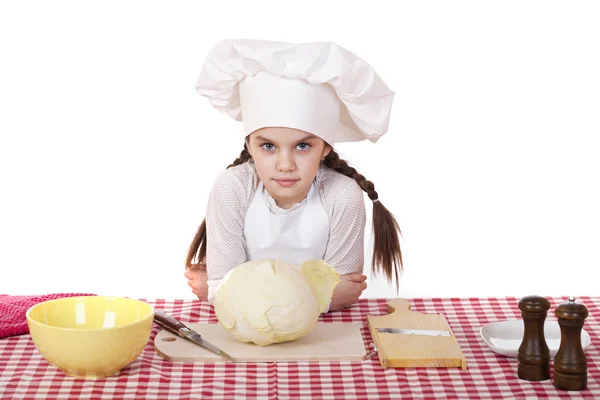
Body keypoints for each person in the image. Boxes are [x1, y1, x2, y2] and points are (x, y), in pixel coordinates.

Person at [184, 39, 403, 312]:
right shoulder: (233, 187)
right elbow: (334, 295)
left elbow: (344, 291)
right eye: (268, 146)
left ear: (325, 147)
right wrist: (320, 295)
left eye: (302, 146)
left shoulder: (342, 194)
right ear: (250, 145)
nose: (285, 164)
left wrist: (226, 290)